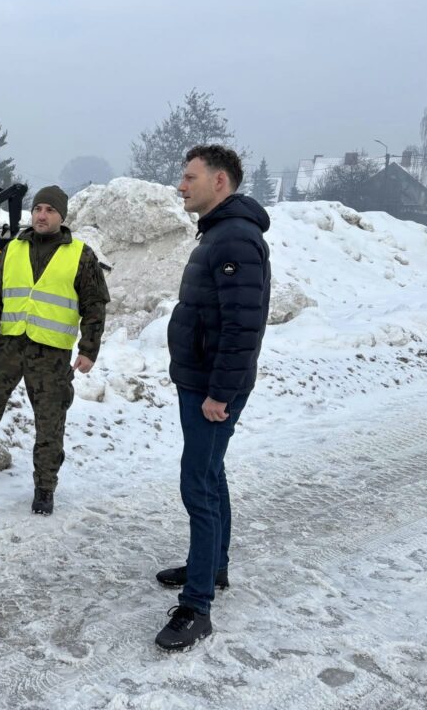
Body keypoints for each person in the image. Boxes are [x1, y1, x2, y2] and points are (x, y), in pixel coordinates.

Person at [0, 185, 109, 515]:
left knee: (49, 422)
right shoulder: (12, 249)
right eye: (38, 208)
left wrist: (89, 349)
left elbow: (95, 306)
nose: (42, 215)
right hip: (9, 346)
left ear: (61, 216)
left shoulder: (81, 255)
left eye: (50, 210)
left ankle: (44, 486)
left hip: (51, 353)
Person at [154, 145, 271, 652]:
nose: (181, 185)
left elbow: (243, 326)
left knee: (197, 482)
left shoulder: (235, 240)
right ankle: (213, 565)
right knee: (210, 473)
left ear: (219, 182)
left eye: (189, 177)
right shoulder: (221, 233)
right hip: (201, 379)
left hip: (211, 387)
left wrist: (220, 393)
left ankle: (197, 605)